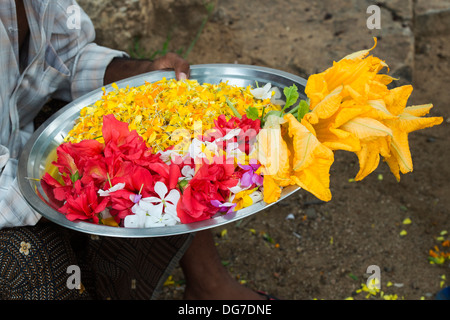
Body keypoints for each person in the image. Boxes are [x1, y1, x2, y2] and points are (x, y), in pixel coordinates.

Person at [0, 0, 266, 300]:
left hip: (17, 136)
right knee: (24, 259)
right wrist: (80, 191)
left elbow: (68, 58)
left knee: (160, 122)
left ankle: (209, 284)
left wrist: (143, 76)